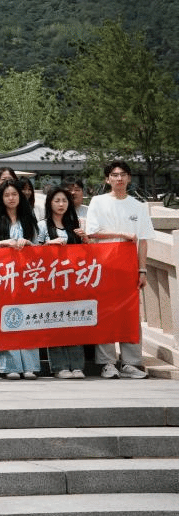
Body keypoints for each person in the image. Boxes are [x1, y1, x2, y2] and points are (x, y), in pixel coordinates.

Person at [86, 160, 154, 379]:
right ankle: (107, 362)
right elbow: (92, 231)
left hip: (129, 267)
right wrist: (122, 234)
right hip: (104, 264)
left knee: (130, 312)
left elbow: (143, 240)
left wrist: (142, 270)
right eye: (114, 175)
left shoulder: (138, 206)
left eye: (123, 174)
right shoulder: (98, 201)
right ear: (108, 179)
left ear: (129, 178)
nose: (119, 178)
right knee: (105, 312)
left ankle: (131, 362)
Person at [0, 179, 45, 379]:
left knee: (28, 318)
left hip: (27, 276)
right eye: (7, 195)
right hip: (3, 276)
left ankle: (30, 365)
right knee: (7, 318)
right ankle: (10, 365)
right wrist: (2, 243)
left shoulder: (29, 219)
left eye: (14, 194)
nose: (11, 198)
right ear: (1, 198)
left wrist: (28, 243)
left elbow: (39, 248)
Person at [43, 187, 87, 380]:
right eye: (57, 201)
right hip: (51, 282)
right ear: (49, 203)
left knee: (74, 321)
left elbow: (87, 254)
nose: (61, 204)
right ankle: (59, 366)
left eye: (64, 201)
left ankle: (77, 365)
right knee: (54, 322)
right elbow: (33, 251)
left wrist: (85, 238)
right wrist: (48, 244)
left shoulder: (74, 225)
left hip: (73, 281)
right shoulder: (42, 226)